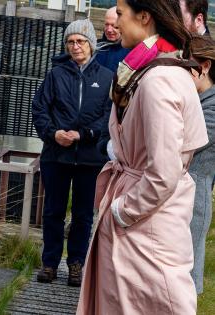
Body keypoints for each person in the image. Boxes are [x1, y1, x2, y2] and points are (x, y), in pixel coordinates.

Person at [76, 0, 209, 314]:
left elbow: (163, 173)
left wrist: (123, 212)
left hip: (145, 226)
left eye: (121, 14)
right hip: (145, 222)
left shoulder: (158, 80)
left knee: (147, 302)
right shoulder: (153, 69)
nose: (115, 23)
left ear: (145, 17)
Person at [32, 19, 113, 287]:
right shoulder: (55, 75)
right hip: (56, 155)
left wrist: (84, 135)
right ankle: (50, 263)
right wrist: (54, 134)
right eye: (70, 42)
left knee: (83, 215)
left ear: (91, 44)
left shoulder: (105, 78)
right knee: (53, 210)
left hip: (90, 158)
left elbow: (108, 117)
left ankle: (76, 263)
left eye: (80, 41)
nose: (75, 46)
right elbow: (40, 109)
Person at [188, 35, 215, 295]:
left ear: (204, 66)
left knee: (187, 275)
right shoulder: (197, 99)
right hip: (181, 198)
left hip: (194, 203)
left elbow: (187, 142)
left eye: (187, 66)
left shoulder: (213, 106)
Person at [95, 6, 130, 73]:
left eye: (114, 26)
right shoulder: (96, 47)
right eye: (106, 24)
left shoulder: (131, 52)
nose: (109, 30)